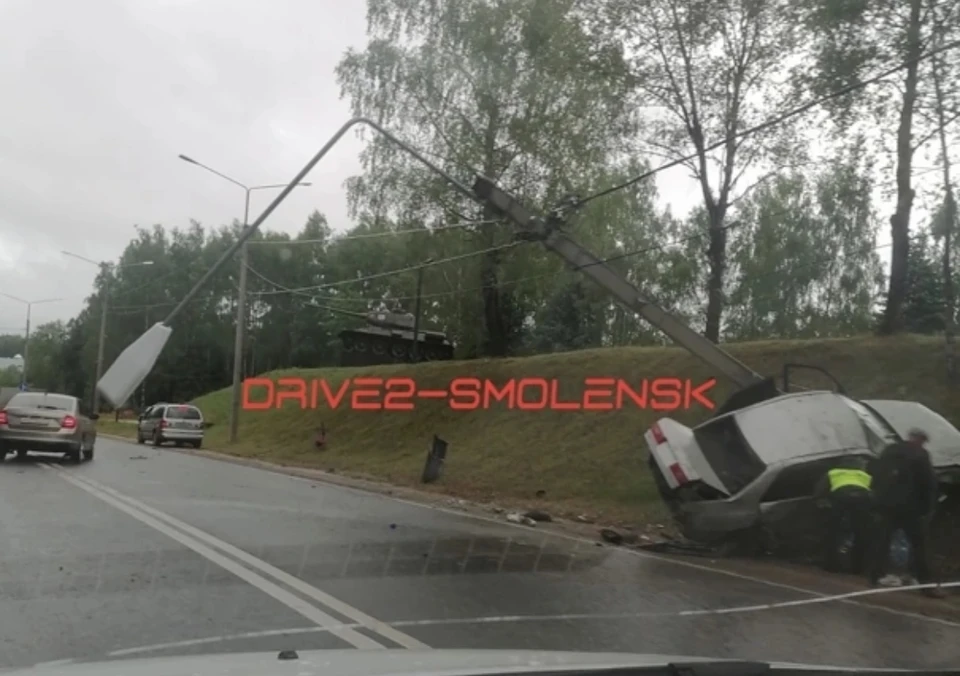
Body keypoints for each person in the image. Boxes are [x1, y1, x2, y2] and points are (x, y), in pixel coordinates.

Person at [866, 428, 946, 598]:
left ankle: (874, 577)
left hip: (886, 506)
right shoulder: (921, 454)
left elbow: (875, 475)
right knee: (919, 546)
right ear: (920, 439)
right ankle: (926, 585)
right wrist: (927, 509)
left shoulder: (889, 451)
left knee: (882, 542)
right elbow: (928, 483)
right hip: (911, 509)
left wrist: (878, 500)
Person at [814, 455, 873, 574]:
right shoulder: (865, 475)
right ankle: (858, 568)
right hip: (862, 499)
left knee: (832, 531)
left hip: (840, 497)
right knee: (861, 533)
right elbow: (874, 491)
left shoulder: (833, 473)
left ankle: (830, 565)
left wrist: (821, 501)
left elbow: (820, 490)